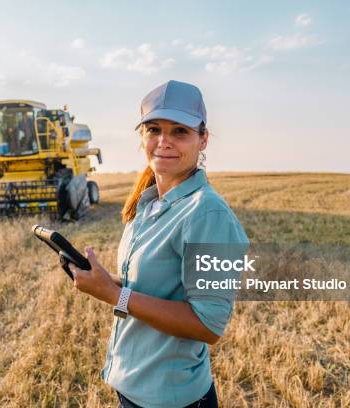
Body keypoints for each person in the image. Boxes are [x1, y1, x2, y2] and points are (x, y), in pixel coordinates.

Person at [68, 80, 249, 407]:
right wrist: (108, 282)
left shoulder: (208, 214)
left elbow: (207, 325)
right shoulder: (149, 203)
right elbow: (156, 288)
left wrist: (114, 295)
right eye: (154, 129)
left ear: (203, 138)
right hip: (134, 388)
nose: (164, 141)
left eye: (179, 131)